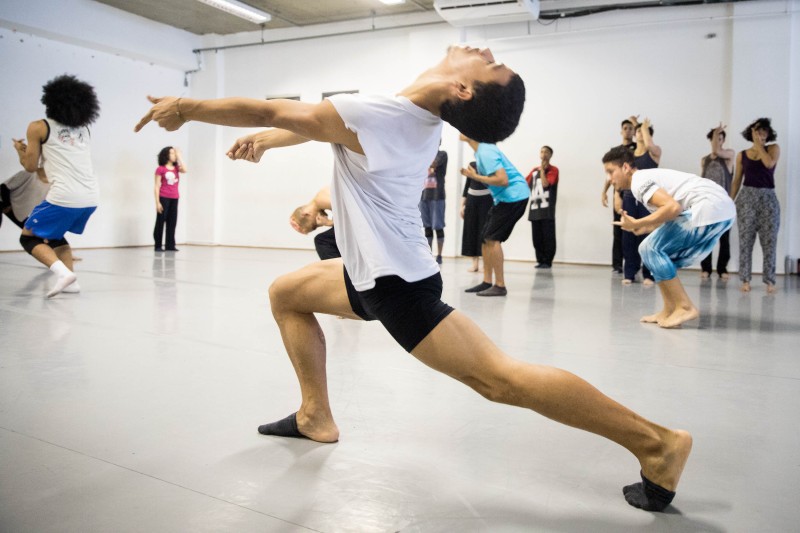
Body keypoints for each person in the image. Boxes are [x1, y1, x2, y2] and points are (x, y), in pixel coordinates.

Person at [136, 44, 691, 512]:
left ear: (464, 90)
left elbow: (281, 110)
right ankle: (314, 415)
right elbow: (318, 124)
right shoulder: (409, 116)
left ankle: (656, 443)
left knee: (500, 379)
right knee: (286, 294)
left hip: (395, 286)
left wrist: (188, 106)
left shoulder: (387, 115)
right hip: (373, 270)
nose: (485, 51)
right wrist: (268, 137)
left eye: (491, 63)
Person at [604, 146, 735, 329]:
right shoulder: (645, 179)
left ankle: (685, 307)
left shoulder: (638, 181)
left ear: (625, 167)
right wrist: (646, 227)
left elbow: (672, 208)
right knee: (655, 253)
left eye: (611, 172)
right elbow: (671, 214)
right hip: (722, 210)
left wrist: (638, 223)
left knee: (649, 248)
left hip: (709, 207)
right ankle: (670, 308)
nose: (609, 179)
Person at [13, 74, 100, 297]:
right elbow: (54, 166)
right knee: (56, 236)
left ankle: (63, 274)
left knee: (29, 237)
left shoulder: (38, 127)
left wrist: (20, 151)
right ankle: (72, 284)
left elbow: (31, 167)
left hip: (64, 196)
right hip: (90, 197)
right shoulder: (84, 130)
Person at [460, 135, 529, 296]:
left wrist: (475, 177)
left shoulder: (485, 151)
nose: (460, 130)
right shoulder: (480, 152)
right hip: (504, 198)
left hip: (514, 196)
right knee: (485, 238)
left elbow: (502, 180)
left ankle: (500, 285)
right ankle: (487, 282)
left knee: (492, 238)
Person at [730, 118, 781, 294]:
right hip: (747, 198)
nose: (761, 135)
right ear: (751, 133)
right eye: (758, 132)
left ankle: (770, 280)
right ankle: (745, 279)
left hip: (768, 198)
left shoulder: (773, 149)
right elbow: (737, 180)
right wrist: (730, 201)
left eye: (764, 132)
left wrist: (759, 144)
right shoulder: (741, 155)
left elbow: (768, 164)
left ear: (768, 134)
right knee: (745, 240)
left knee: (770, 241)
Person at [619, 117, 660, 286]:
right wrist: (616, 196)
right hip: (629, 198)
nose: (639, 134)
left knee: (647, 235)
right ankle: (629, 272)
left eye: (642, 131)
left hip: (648, 199)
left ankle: (648, 273)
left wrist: (643, 125)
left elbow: (649, 144)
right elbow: (621, 177)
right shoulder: (628, 155)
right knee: (628, 235)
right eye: (637, 131)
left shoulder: (654, 152)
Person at [699, 124, 735, 280]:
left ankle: (722, 269)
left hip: (723, 205)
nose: (718, 142)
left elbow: (717, 151)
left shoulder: (729, 155)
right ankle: (706, 268)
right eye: (715, 139)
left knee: (724, 238)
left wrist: (716, 132)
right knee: (706, 237)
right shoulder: (704, 160)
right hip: (707, 204)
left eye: (721, 139)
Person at [601, 119, 635, 274]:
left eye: (631, 128)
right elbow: (610, 173)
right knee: (618, 229)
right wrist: (604, 191)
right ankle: (617, 265)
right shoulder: (615, 151)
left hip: (632, 192)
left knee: (633, 229)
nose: (628, 131)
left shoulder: (637, 149)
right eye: (625, 128)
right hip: (618, 192)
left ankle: (632, 264)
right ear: (621, 131)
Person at [525, 145, 558, 269]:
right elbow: (525, 184)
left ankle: (547, 261)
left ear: (550, 155)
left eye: (547, 152)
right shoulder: (534, 171)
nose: (544, 154)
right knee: (537, 237)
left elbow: (545, 184)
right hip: (534, 209)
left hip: (547, 210)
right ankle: (540, 260)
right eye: (542, 151)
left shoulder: (554, 170)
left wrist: (543, 171)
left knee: (548, 237)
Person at [290, 185, 340, 260]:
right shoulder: (322, 198)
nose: (319, 224)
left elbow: (356, 217)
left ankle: (337, 270)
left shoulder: (324, 200)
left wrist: (329, 223)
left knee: (321, 240)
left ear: (306, 214)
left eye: (314, 225)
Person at [460, 161, 492, 272]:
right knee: (471, 231)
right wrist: (462, 206)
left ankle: (486, 264)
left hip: (486, 200)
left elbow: (492, 184)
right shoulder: (472, 165)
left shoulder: (489, 165)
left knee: (484, 232)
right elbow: (467, 186)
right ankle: (475, 263)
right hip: (472, 201)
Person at [153, 146, 186, 252]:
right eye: (172, 153)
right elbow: (157, 186)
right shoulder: (160, 169)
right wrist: (157, 202)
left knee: (172, 222)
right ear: (166, 155)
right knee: (160, 221)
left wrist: (180, 157)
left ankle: (170, 245)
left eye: (174, 153)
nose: (174, 155)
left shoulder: (177, 168)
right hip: (163, 197)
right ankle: (158, 245)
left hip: (174, 197)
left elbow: (185, 169)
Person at [420, 148, 448, 264]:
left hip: (437, 196)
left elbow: (433, 163)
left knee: (438, 226)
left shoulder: (441, 154)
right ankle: (429, 254)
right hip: (424, 195)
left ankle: (440, 255)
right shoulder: (423, 153)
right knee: (427, 227)